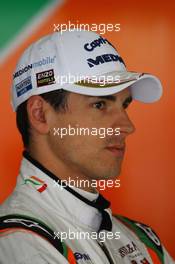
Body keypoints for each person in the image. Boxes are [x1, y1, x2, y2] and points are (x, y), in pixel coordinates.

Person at [0, 30, 174, 264]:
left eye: (125, 105)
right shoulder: (18, 243)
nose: (127, 126)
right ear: (40, 114)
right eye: (100, 104)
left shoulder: (142, 241)